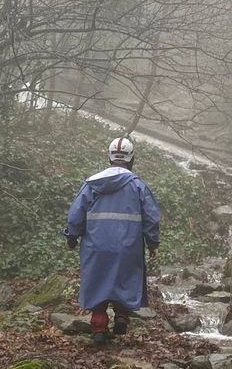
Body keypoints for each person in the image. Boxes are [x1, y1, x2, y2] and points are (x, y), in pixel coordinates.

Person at [64, 137, 160, 344]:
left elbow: (75, 215)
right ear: (131, 157)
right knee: (124, 281)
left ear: (109, 157)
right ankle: (122, 319)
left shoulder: (91, 184)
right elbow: (151, 217)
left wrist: (71, 237)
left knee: (98, 282)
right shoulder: (137, 186)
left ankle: (98, 327)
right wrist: (153, 244)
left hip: (95, 246)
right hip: (128, 246)